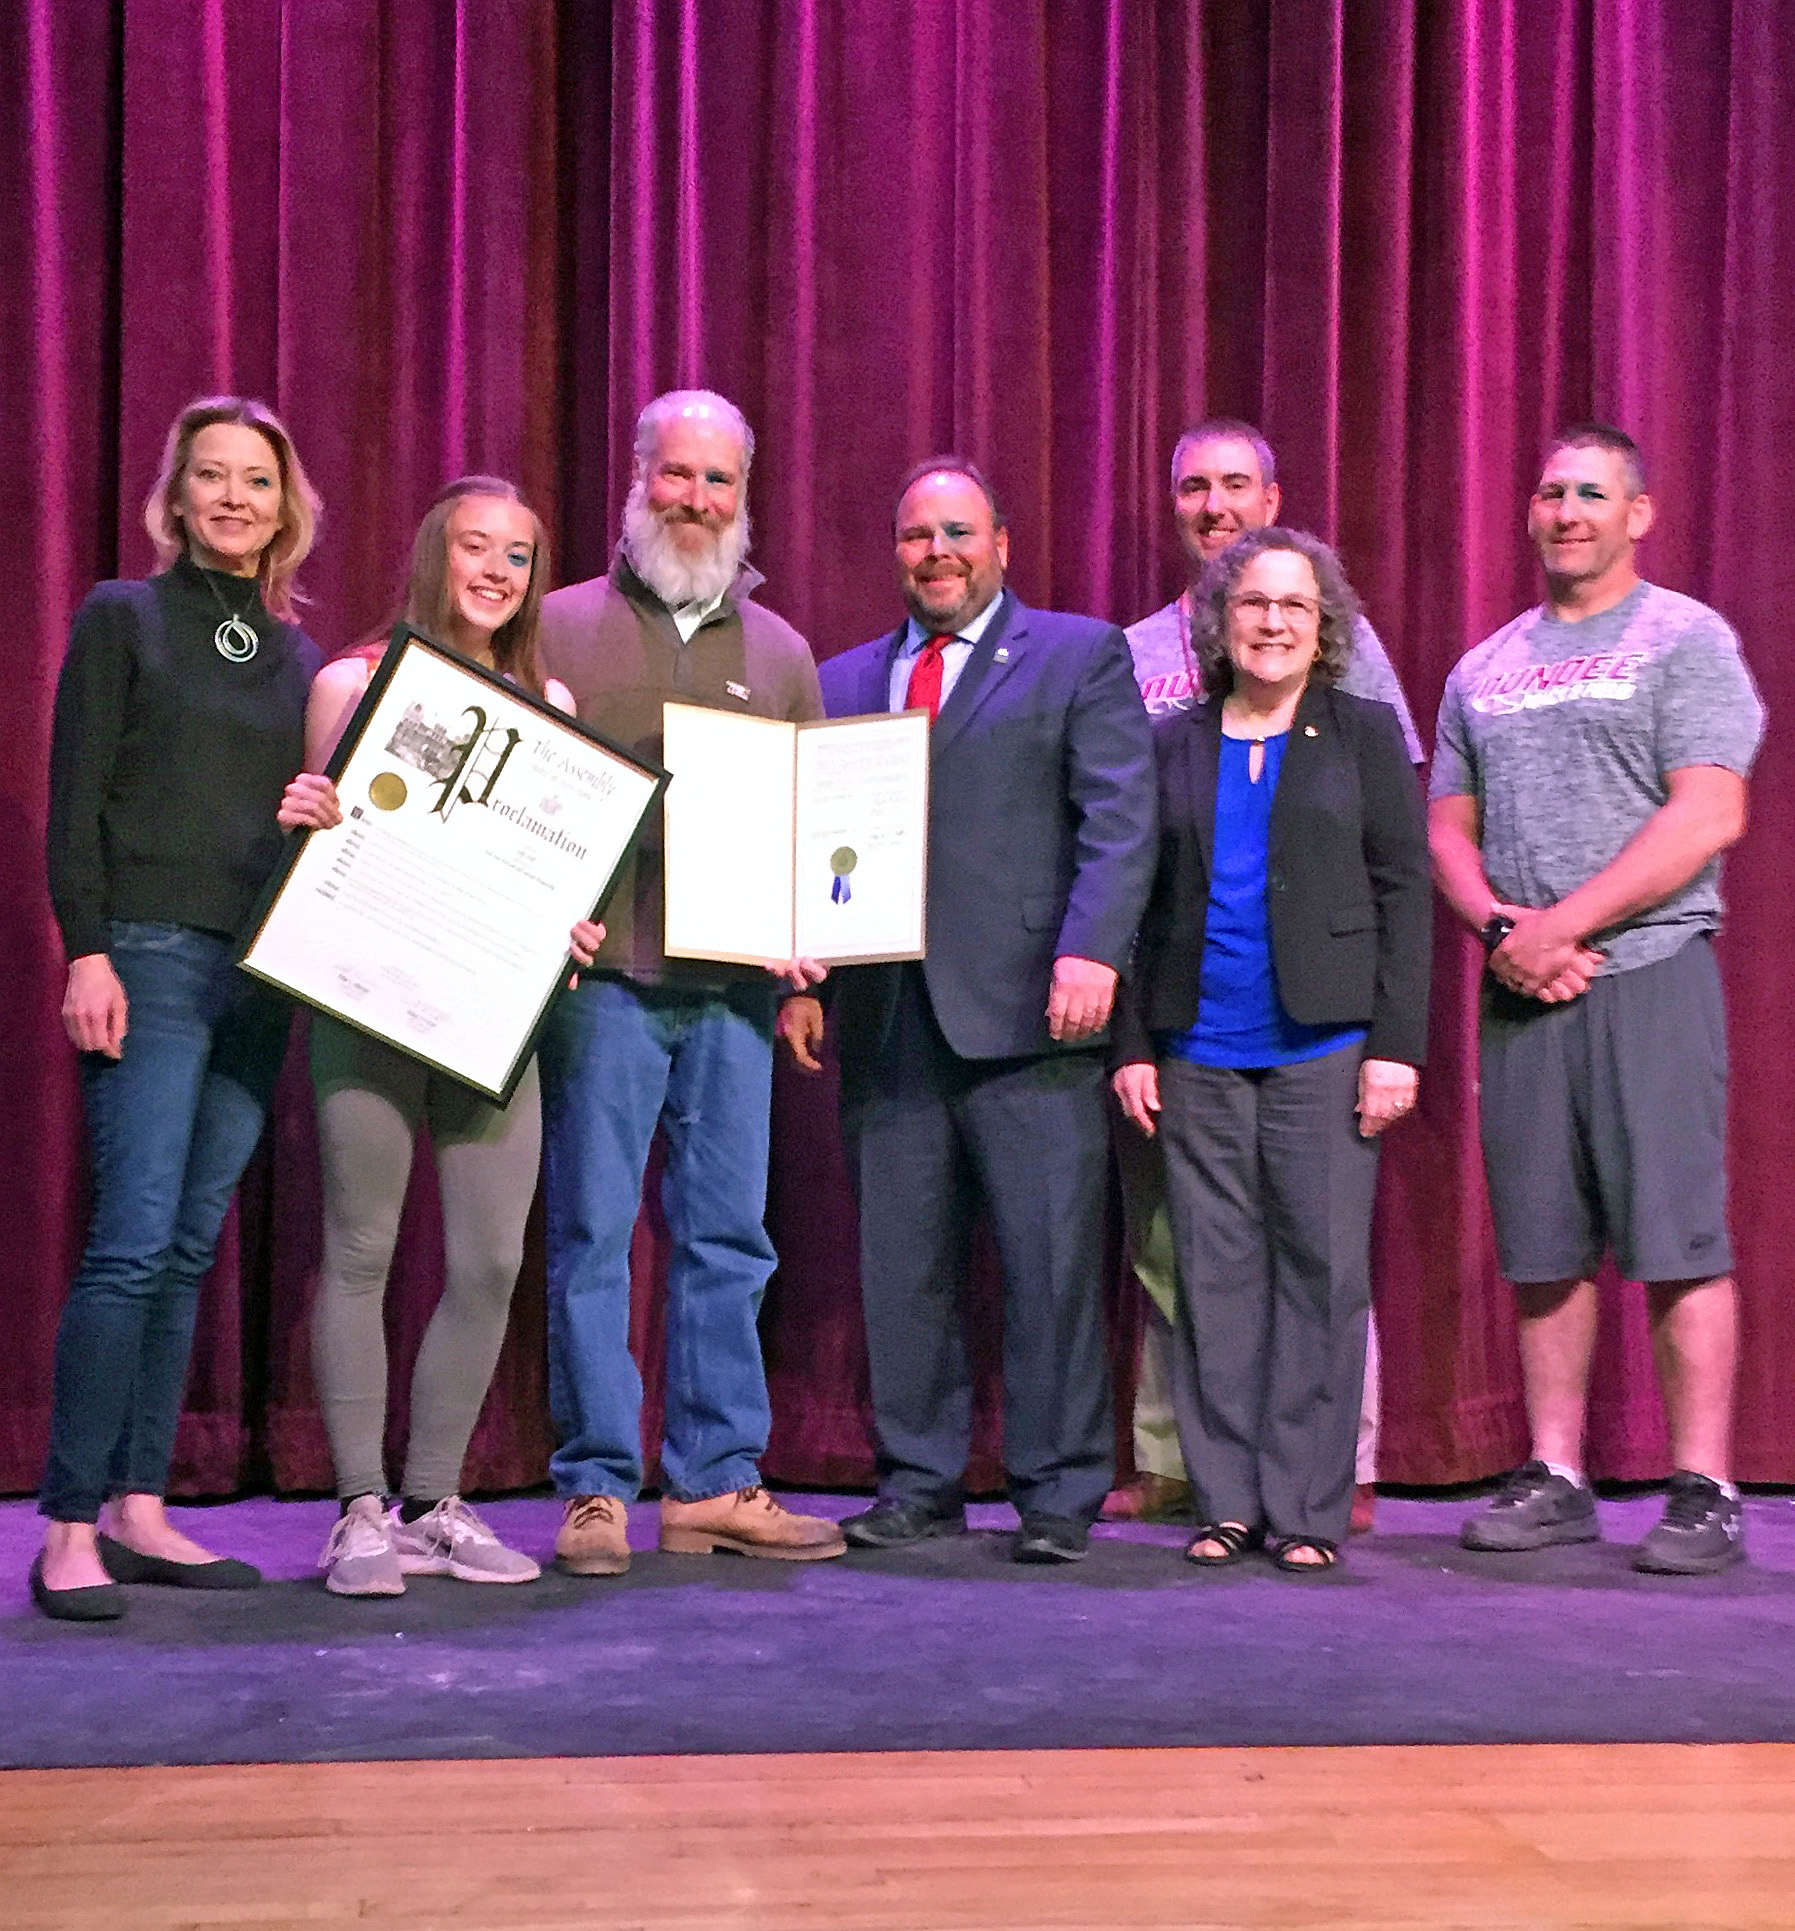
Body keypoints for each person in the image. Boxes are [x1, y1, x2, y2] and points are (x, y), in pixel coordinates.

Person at [780, 458, 1157, 1564]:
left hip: (1037, 1014)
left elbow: (1120, 818)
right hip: (886, 1015)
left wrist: (1092, 950)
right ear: (892, 551)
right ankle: (918, 1480)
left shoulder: (1080, 652)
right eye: (913, 535)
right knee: (902, 1267)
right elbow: (811, 846)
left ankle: (1057, 1490)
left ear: (1001, 543)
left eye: (956, 531)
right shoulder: (842, 678)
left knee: (1049, 1267)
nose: (934, 550)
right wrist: (801, 982)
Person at [1432, 425, 1764, 1575]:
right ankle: (1556, 1471)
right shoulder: (1483, 665)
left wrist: (1562, 925)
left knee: (1676, 1234)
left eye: (1590, 492)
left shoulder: (1685, 638)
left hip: (1649, 969)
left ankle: (1703, 1486)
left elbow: (1707, 812)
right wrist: (1502, 930)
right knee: (1542, 1243)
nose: (1565, 510)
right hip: (1523, 983)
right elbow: (1445, 825)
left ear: (1638, 513)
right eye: (1548, 492)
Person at [536, 390, 844, 1576]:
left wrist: (812, 961)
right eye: (679, 474)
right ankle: (596, 1487)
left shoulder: (781, 653)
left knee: (729, 1235)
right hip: (603, 982)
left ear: (743, 494)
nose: (698, 498)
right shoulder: (556, 626)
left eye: (719, 481)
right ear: (637, 475)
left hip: (732, 995)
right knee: (592, 1232)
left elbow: (820, 836)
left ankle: (716, 1479)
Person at [281, 478, 604, 1597]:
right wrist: (303, 817)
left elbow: (545, 861)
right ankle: (358, 1507)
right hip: (366, 995)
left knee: (492, 1258)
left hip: (489, 1011)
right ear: (436, 553)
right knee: (362, 1244)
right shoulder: (350, 680)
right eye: (476, 546)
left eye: (518, 554)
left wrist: (569, 921)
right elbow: (319, 840)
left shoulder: (548, 695)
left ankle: (432, 1501)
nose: (496, 571)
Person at [34, 397, 326, 1620]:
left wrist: (316, 810)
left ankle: (138, 1506)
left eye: (254, 480)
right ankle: (63, 1529)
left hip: (257, 973)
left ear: (284, 505)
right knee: (132, 1238)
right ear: (177, 496)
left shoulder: (304, 659)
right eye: (209, 475)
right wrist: (86, 952)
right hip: (147, 957)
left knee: (191, 1240)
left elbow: (300, 821)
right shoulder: (123, 618)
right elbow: (73, 800)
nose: (232, 498)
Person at [1109, 419, 1423, 1533]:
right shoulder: (1174, 739)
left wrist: (1395, 1046)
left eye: (1293, 605)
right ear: (1219, 620)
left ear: (1321, 621)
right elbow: (1140, 905)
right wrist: (1135, 1045)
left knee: (1320, 1278)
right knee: (1215, 1282)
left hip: (1325, 1048)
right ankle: (1230, 1499)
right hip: (1198, 1049)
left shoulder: (1365, 732)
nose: (1273, 621)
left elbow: (1402, 892)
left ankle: (1308, 1503)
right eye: (1253, 605)